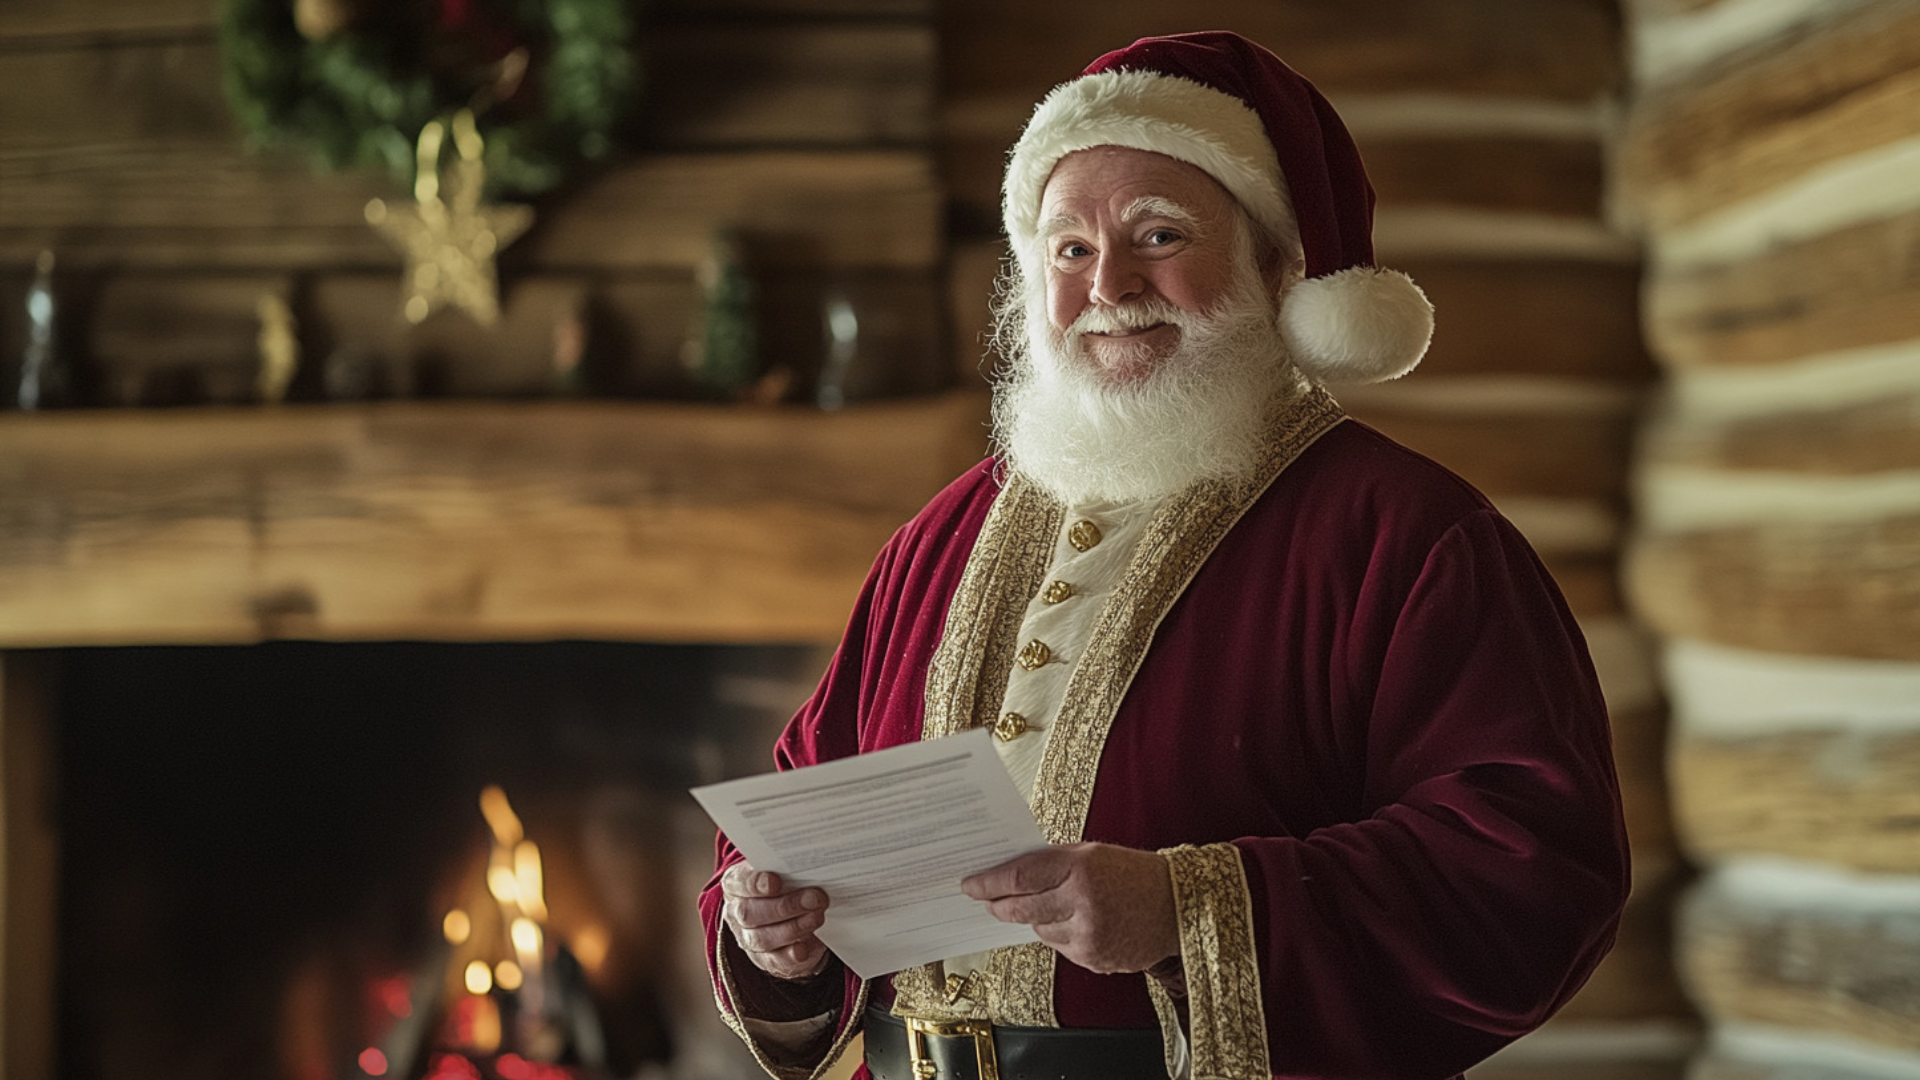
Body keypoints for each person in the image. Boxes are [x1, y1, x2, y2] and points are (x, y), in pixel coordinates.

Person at [699, 31, 1629, 1080]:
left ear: (1281, 265)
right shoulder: (936, 541)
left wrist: (1188, 909)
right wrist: (768, 927)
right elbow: (794, 809)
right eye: (1071, 250)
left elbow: (1534, 866)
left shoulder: (1408, 533)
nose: (1111, 286)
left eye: (1160, 234)